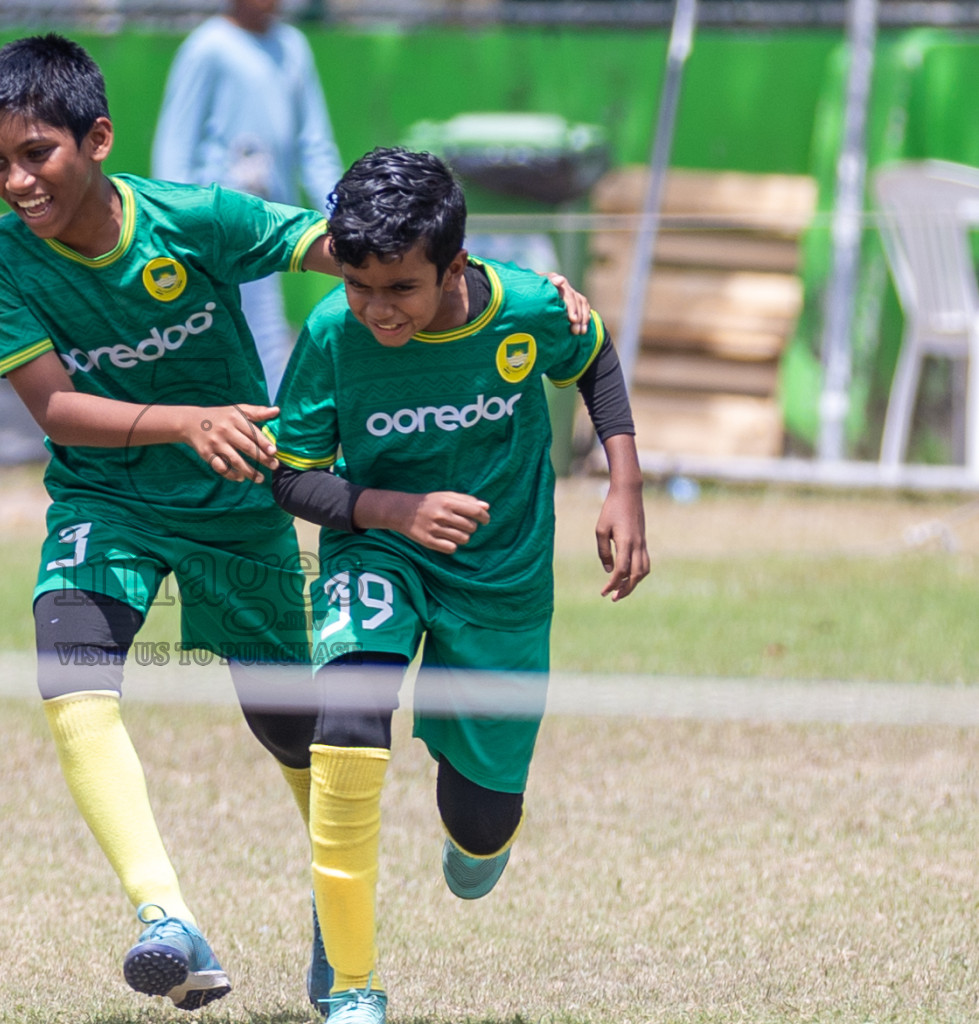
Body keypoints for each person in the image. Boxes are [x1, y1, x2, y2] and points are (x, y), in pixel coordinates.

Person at [0, 37, 592, 1014]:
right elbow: (54, 406)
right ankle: (163, 917)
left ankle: (326, 923)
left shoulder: (196, 219)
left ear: (98, 139)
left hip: (237, 502)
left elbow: (356, 246)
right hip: (106, 502)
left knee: (300, 730)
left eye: (35, 153)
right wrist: (186, 422)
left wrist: (510, 292)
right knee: (71, 671)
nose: (16, 180)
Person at [268, 148, 650, 1023]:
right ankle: (351, 980)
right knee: (349, 720)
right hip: (377, 550)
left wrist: (622, 484)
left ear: (455, 266)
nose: (375, 308)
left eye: (399, 288)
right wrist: (392, 511)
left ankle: (473, 820)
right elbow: (291, 478)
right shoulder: (332, 334)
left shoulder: (525, 308)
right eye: (358, 284)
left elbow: (591, 358)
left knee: (479, 825)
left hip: (500, 574)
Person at [151, 0, 342, 398]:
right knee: (237, 337)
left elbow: (315, 143)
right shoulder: (208, 46)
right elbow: (176, 142)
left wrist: (344, 216)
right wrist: (173, 227)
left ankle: (268, 443)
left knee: (266, 337)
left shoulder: (292, 46)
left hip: (270, 227)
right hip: (214, 229)